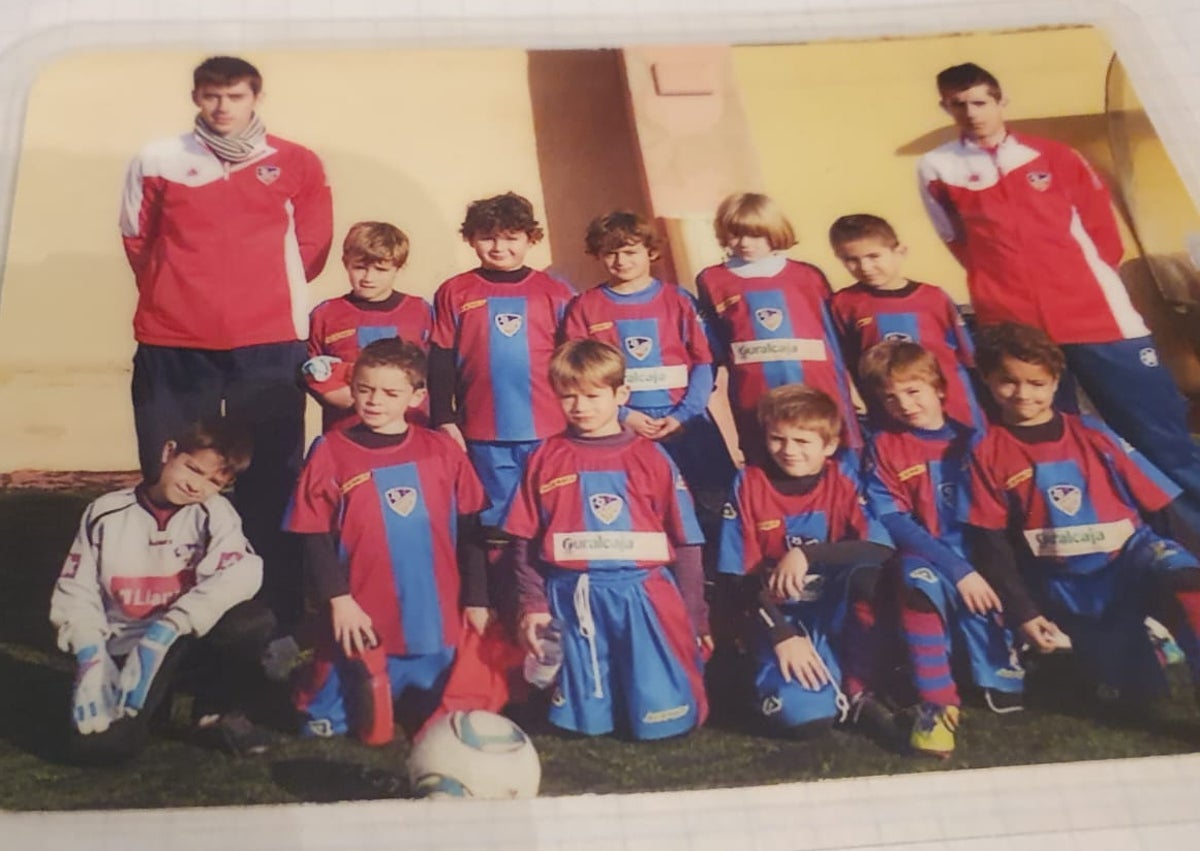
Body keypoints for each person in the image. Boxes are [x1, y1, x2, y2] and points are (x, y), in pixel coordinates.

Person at [917, 62, 1200, 517]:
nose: (971, 113)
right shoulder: (937, 168)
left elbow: (1102, 235)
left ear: (1001, 101)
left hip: (1098, 318)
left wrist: (1069, 283)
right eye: (958, 105)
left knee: (1158, 437)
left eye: (980, 102)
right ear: (945, 107)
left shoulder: (1055, 156)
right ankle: (1105, 549)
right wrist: (1006, 291)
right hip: (1016, 330)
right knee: (1051, 446)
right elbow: (959, 243)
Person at [119, 55, 334, 632]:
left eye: (234, 96)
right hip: (173, 341)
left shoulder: (296, 162)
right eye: (211, 96)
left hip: (266, 343)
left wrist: (250, 299)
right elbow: (137, 240)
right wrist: (180, 297)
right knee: (169, 473)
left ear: (253, 98)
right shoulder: (158, 158)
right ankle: (160, 611)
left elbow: (312, 248)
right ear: (196, 97)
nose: (222, 107)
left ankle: (273, 618)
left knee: (270, 475)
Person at [963, 323, 1200, 710]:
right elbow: (991, 541)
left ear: (1056, 382)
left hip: (1130, 557)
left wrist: (1191, 556)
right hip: (1065, 580)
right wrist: (1024, 610)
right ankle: (1143, 650)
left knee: (1189, 582)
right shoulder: (986, 452)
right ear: (987, 380)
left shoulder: (1094, 434)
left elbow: (1158, 503)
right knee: (1133, 694)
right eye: (1008, 381)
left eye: (1036, 382)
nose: (1023, 393)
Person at [502, 339, 710, 740]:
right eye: (568, 396)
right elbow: (524, 542)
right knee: (584, 728)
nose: (580, 407)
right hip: (573, 595)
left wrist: (694, 613)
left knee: (661, 725)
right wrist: (534, 604)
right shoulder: (545, 457)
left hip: (643, 594)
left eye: (593, 396)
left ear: (621, 395)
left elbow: (686, 541)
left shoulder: (651, 457)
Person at [285, 338, 488, 743]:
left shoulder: (442, 449)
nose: (374, 401)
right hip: (361, 612)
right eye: (364, 389)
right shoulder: (330, 451)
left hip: (434, 614)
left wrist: (479, 598)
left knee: (448, 719)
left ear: (417, 396)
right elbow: (313, 536)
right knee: (322, 726)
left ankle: (420, 694)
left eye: (390, 392)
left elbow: (471, 530)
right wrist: (338, 599)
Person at [49, 419, 274, 762]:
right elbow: (76, 591)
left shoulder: (214, 514)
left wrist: (167, 628)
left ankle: (215, 712)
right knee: (102, 750)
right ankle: (151, 701)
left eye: (215, 481)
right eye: (193, 469)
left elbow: (243, 573)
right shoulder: (106, 512)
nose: (197, 486)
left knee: (250, 621)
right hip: (125, 645)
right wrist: (90, 654)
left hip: (177, 640)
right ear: (169, 452)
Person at [858, 341, 1023, 758]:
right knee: (918, 585)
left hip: (980, 553)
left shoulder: (976, 439)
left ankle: (997, 667)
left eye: (914, 391)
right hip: (926, 553)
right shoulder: (884, 445)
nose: (904, 404)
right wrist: (954, 568)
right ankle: (938, 702)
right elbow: (893, 519)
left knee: (1005, 694)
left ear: (939, 388)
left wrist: (974, 568)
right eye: (890, 398)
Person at [716, 384, 895, 739]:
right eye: (778, 439)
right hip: (776, 615)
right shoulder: (749, 483)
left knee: (872, 579)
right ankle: (754, 679)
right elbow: (738, 576)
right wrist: (782, 633)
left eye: (802, 441)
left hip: (831, 610)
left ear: (828, 445)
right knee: (807, 720)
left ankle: (861, 679)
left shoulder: (841, 479)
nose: (788, 451)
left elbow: (880, 549)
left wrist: (806, 553)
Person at [561, 210, 735, 557]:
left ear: (651, 252)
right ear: (598, 255)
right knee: (645, 508)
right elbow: (579, 374)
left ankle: (722, 587)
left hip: (688, 426)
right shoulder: (585, 307)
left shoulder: (679, 300)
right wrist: (625, 415)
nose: (621, 260)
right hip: (625, 430)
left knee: (716, 503)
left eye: (630, 251)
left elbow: (704, 361)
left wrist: (685, 413)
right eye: (611, 252)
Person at [428, 192, 575, 536]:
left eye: (511, 238)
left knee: (552, 516)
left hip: (548, 429)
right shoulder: (455, 291)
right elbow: (441, 357)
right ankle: (503, 588)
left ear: (531, 238)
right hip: (483, 431)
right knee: (496, 525)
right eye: (487, 237)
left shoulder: (555, 291)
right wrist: (443, 417)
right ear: (470, 239)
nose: (498, 247)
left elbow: (576, 363)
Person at [696, 192, 860, 466]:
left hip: (816, 383)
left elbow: (832, 336)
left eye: (755, 234)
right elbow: (717, 341)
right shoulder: (713, 279)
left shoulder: (807, 275)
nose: (745, 243)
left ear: (774, 231)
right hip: (754, 390)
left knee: (827, 455)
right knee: (769, 455)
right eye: (736, 234)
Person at [828, 214, 983, 430]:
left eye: (874, 256)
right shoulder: (843, 304)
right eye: (851, 259)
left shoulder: (934, 297)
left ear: (899, 252)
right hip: (890, 413)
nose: (865, 267)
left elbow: (966, 356)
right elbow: (843, 360)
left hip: (950, 410)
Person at [303, 221, 433, 432]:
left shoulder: (420, 311)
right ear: (346, 263)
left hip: (411, 430)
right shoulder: (326, 314)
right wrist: (326, 392)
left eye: (381, 269)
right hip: (345, 431)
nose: (368, 278)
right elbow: (308, 367)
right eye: (360, 268)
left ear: (398, 267)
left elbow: (437, 369)